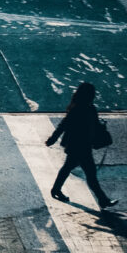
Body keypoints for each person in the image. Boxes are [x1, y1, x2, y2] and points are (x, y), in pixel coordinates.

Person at [45, 82, 118, 211]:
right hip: (79, 146)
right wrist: (53, 138)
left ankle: (56, 189)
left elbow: (69, 125)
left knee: (69, 168)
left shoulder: (87, 108)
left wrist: (53, 138)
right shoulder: (79, 109)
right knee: (90, 175)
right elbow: (64, 124)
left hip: (82, 145)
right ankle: (103, 200)